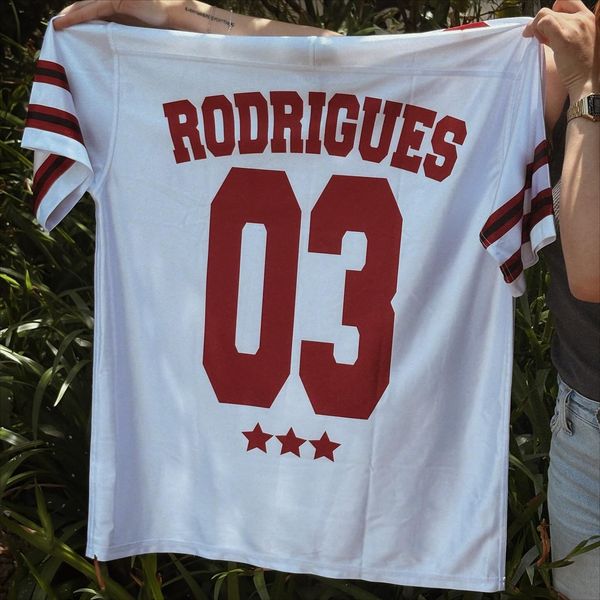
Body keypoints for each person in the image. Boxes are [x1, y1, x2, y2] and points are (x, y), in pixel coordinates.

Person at [52, 1, 600, 598]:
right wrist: (167, 13)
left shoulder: (580, 73)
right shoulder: (562, 57)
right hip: (583, 423)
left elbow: (590, 273)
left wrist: (588, 92)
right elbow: (356, 64)